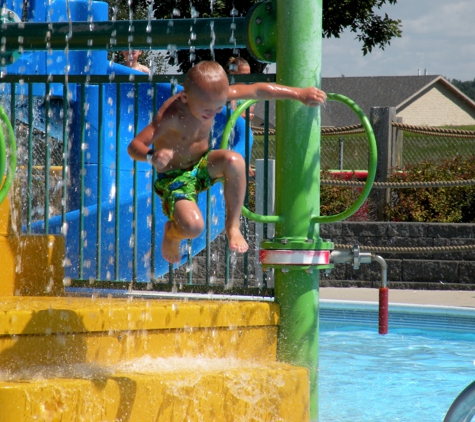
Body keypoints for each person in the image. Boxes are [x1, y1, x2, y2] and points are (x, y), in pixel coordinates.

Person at [127, 60, 326, 263]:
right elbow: (134, 146)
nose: (212, 114)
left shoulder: (211, 98)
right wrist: (152, 156)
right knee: (192, 227)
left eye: (218, 108)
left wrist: (299, 94)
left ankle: (233, 226)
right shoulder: (171, 114)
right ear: (186, 97)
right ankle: (171, 233)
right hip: (174, 177)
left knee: (234, 160)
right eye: (206, 110)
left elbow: (257, 91)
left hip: (203, 164)